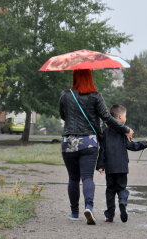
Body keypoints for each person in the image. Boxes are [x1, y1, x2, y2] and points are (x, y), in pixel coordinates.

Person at [59, 70, 134, 225]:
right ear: (90, 78)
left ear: (75, 77)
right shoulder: (95, 96)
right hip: (88, 141)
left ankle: (74, 212)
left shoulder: (65, 95)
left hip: (69, 141)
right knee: (87, 177)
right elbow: (106, 117)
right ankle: (89, 207)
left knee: (73, 178)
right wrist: (125, 129)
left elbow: (63, 115)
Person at [96, 104, 147, 223]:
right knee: (122, 188)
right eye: (125, 116)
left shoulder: (104, 130)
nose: (126, 118)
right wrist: (145, 143)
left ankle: (110, 215)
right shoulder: (123, 130)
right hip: (121, 167)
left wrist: (100, 165)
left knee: (110, 190)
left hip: (110, 167)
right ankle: (122, 202)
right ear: (120, 117)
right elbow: (131, 146)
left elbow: (102, 149)